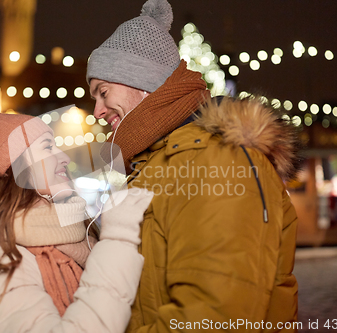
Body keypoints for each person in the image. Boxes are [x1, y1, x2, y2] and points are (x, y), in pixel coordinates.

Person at [86, 0, 301, 331]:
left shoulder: (218, 161)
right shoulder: (152, 164)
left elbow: (212, 316)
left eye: (103, 92)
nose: (98, 111)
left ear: (140, 82)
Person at [0, 110, 154, 333]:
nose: (63, 158)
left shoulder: (69, 236)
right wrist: (117, 239)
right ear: (13, 168)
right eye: (48, 148)